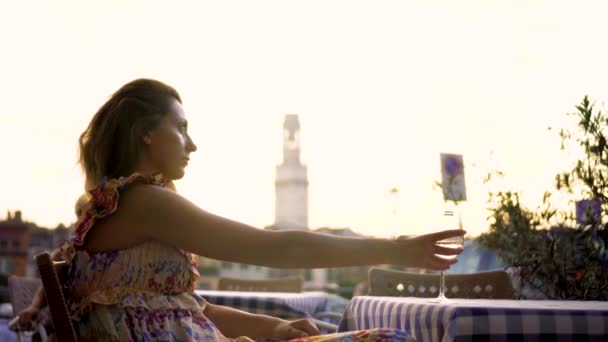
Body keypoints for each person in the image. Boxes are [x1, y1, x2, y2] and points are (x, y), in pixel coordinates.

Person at [17, 78, 465, 341]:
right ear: (145, 134)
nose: (192, 144)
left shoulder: (121, 205)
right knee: (390, 338)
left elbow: (185, 308)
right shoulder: (145, 202)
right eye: (182, 128)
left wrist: (274, 328)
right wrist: (394, 249)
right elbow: (276, 248)